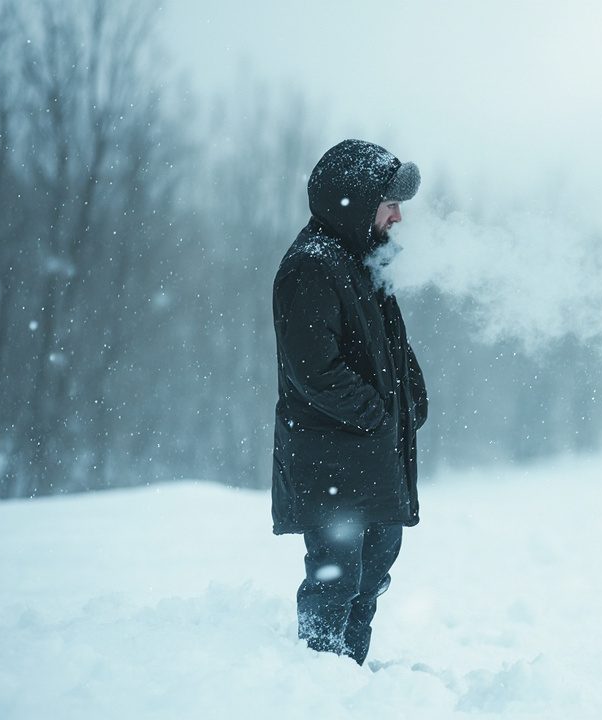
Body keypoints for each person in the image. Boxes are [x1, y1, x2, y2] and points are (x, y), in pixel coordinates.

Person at [271, 139, 428, 665]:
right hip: (332, 456)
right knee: (336, 578)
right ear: (356, 202)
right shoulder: (312, 267)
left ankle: (349, 682)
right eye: (390, 204)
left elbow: (391, 349)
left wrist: (412, 399)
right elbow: (315, 369)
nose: (398, 216)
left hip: (368, 456)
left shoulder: (362, 262)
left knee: (375, 566)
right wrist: (378, 414)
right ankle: (316, 685)